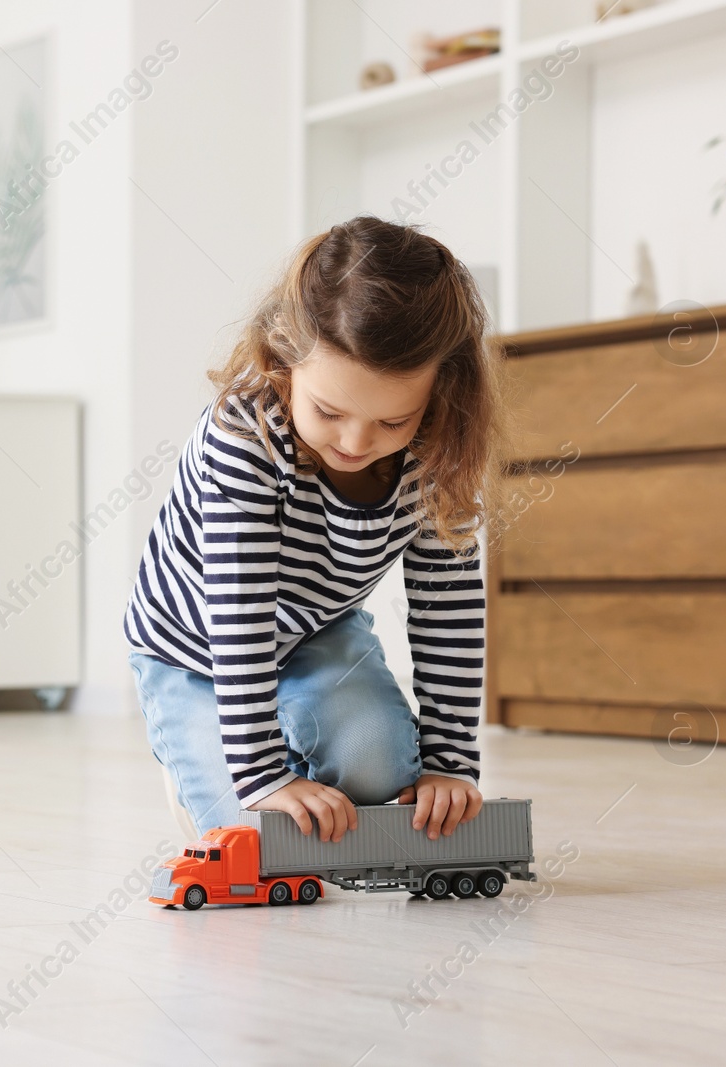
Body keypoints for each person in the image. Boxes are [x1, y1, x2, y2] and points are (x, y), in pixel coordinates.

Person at [123, 216, 504, 844]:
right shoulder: (245, 439)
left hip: (315, 631)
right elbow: (240, 612)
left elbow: (450, 611)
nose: (356, 442)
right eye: (329, 411)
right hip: (195, 650)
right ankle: (227, 760)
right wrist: (261, 774)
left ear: (441, 393)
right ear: (283, 359)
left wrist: (449, 763)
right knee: (259, 838)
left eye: (393, 421)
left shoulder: (442, 452)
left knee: (382, 773)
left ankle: (299, 749)